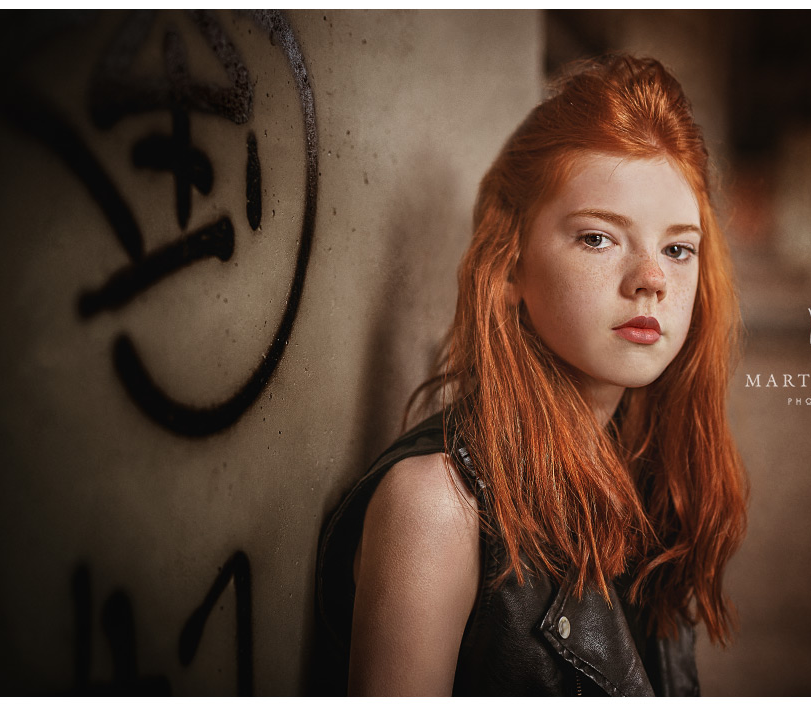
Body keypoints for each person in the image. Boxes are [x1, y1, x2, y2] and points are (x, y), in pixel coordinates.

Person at [313, 54, 747, 697]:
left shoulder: (646, 478)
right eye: (599, 238)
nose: (652, 279)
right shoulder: (437, 507)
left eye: (677, 248)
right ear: (510, 264)